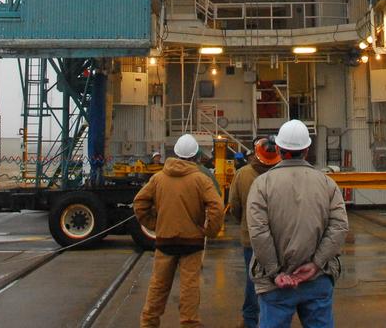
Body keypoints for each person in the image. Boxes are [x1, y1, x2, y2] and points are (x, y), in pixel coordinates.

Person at [247, 120, 348, 328]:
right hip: (317, 278)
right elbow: (339, 226)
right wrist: (316, 263)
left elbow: (258, 232)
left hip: (276, 284)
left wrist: (275, 272)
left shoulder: (262, 184)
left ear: (278, 149)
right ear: (307, 150)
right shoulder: (327, 183)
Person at [134, 133, 224, 328]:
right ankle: (189, 323)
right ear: (196, 156)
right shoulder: (201, 179)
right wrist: (210, 231)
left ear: (175, 154)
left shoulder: (158, 178)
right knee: (189, 287)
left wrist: (154, 224)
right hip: (192, 242)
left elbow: (139, 203)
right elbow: (217, 207)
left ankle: (148, 323)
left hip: (165, 240)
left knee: (158, 286)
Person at [228, 137, 280, 328]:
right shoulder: (281, 174)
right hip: (278, 238)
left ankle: (251, 320)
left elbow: (234, 205)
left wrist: (244, 221)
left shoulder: (242, 174)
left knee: (253, 279)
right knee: (278, 279)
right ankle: (273, 318)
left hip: (250, 237)